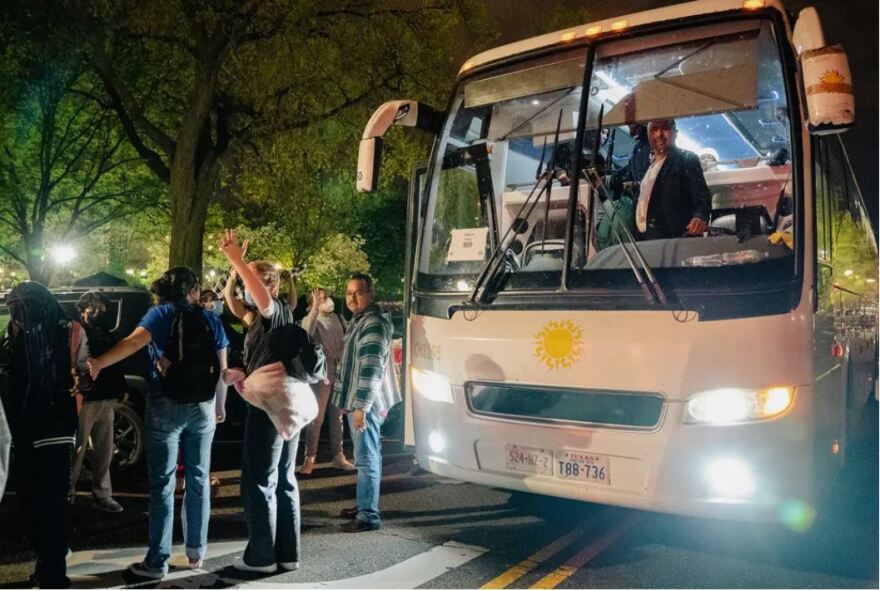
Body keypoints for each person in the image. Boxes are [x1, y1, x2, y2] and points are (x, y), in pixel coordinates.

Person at [88, 267, 228, 579]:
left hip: (165, 404)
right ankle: (196, 553)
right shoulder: (210, 318)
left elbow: (132, 343)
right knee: (198, 479)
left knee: (163, 484)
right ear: (193, 291)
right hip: (202, 407)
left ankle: (158, 561)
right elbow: (222, 368)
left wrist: (98, 363)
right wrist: (220, 406)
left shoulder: (160, 314)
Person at [218, 229, 303, 573]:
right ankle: (287, 553)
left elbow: (262, 299)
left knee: (258, 480)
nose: (245, 282)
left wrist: (237, 260)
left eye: (254, 277)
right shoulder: (268, 316)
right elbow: (236, 300)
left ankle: (262, 557)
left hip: (270, 407)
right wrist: (242, 374)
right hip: (288, 402)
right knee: (283, 479)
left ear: (271, 283)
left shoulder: (273, 308)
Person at [0, 282, 89, 588]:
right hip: (39, 426)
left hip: (43, 426)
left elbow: (83, 368)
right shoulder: (20, 331)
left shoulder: (61, 330)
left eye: (20, 306)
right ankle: (49, 563)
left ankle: (52, 570)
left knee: (44, 502)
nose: (18, 312)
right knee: (39, 501)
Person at [332, 273, 400, 533]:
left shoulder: (371, 323)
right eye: (349, 292)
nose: (352, 297)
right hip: (363, 401)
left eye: (358, 292)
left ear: (370, 294)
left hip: (367, 403)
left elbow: (371, 369)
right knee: (367, 455)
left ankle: (368, 514)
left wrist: (361, 406)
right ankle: (364, 504)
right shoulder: (362, 320)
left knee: (366, 457)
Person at [69, 292, 125, 513]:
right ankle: (69, 492)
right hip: (87, 397)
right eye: (93, 307)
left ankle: (102, 494)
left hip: (103, 396)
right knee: (78, 448)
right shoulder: (78, 331)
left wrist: (118, 388)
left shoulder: (103, 332)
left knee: (104, 450)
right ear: (83, 309)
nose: (98, 311)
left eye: (100, 307)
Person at [299, 288, 353, 475]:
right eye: (320, 298)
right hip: (323, 370)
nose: (326, 300)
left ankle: (338, 455)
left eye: (325, 297)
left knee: (337, 415)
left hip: (339, 368)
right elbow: (307, 332)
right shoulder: (311, 317)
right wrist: (314, 308)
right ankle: (310, 458)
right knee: (317, 416)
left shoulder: (338, 318)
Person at [634, 119, 711, 240]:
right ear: (648, 133)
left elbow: (702, 196)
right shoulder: (645, 164)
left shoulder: (686, 159)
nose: (659, 134)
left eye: (665, 128)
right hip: (644, 241)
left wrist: (700, 217)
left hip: (675, 240)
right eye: (654, 129)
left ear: (675, 133)